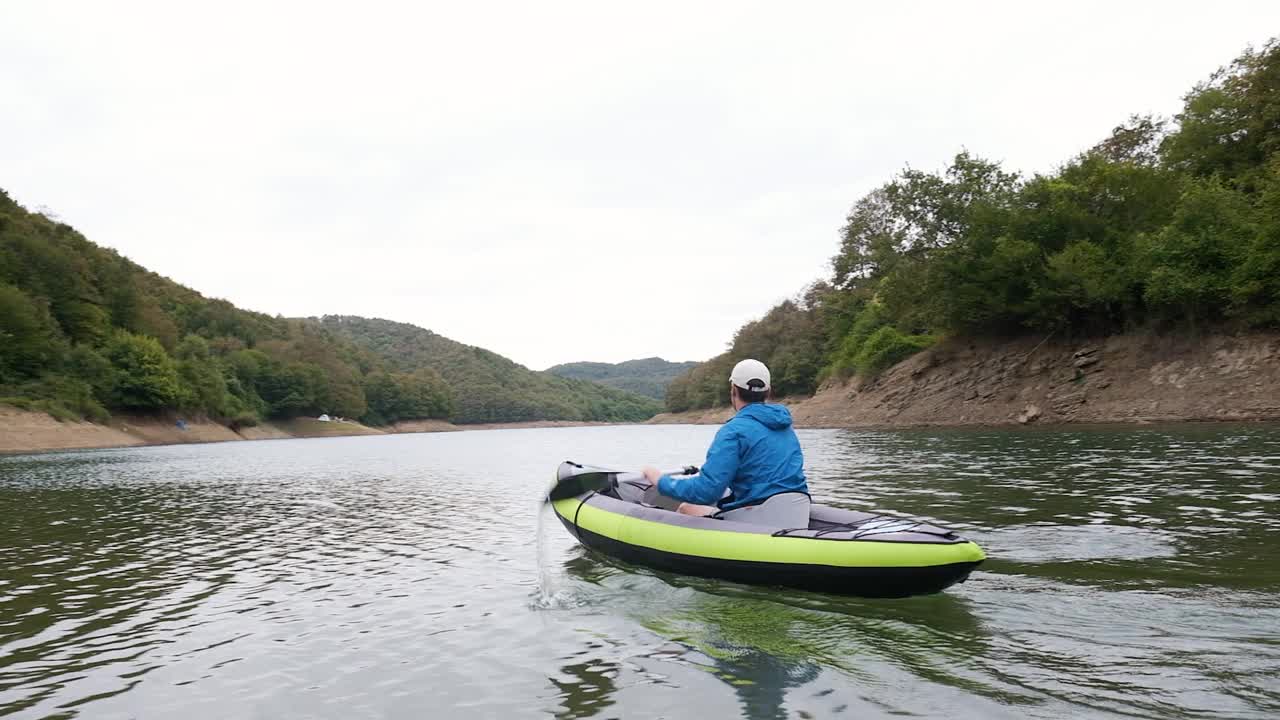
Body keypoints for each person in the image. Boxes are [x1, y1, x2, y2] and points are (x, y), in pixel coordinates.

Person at [638, 358, 810, 527]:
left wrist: (660, 480)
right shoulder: (786, 427)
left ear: (733, 390)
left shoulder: (733, 431)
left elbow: (706, 492)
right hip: (796, 513)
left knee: (686, 508)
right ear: (768, 391)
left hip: (760, 521)